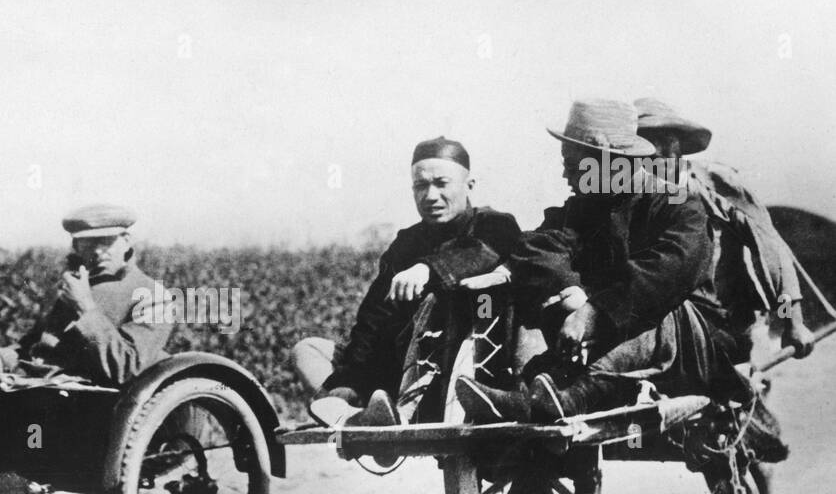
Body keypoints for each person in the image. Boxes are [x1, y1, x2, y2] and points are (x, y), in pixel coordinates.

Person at [458, 99, 749, 430]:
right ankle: (535, 392)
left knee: (659, 311)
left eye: (573, 164)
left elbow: (668, 272)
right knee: (540, 295)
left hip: (691, 350)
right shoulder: (583, 210)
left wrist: (593, 313)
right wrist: (570, 291)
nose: (565, 173)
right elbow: (536, 247)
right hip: (611, 340)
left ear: (609, 162)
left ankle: (560, 398)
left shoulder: (679, 206)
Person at [633, 98, 812, 494]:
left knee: (745, 419)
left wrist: (791, 316)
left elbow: (769, 244)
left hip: (731, 324)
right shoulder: (635, 195)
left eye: (651, 144)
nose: (643, 155)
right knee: (700, 432)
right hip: (676, 329)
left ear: (674, 144)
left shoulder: (714, 183)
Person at [292, 136, 521, 426]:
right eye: (421, 186)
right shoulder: (406, 243)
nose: (430, 196)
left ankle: (372, 416)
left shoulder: (495, 225)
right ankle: (356, 415)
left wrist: (427, 270)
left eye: (441, 183)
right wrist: (349, 381)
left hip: (457, 367)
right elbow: (373, 319)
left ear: (470, 185)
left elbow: (484, 252)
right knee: (307, 350)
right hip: (391, 367)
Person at [0, 204, 173, 385]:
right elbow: (33, 347)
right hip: (40, 385)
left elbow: (125, 366)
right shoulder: (71, 286)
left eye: (107, 241)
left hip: (89, 401)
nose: (99, 252)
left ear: (126, 241)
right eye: (89, 244)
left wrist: (85, 306)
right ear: (76, 246)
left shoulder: (153, 296)